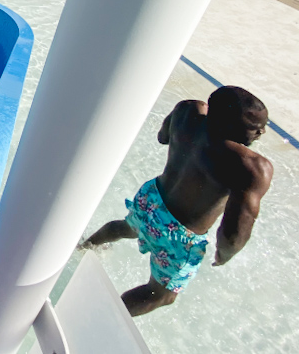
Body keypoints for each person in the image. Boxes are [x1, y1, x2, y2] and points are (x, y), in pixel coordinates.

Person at [81, 86, 273, 316]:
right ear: (229, 124)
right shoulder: (250, 167)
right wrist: (225, 253)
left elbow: (163, 137)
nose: (261, 133)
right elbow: (234, 232)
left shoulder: (187, 111)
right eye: (255, 127)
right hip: (180, 236)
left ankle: (82, 249)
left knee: (126, 227)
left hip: (152, 200)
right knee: (161, 295)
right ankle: (93, 317)